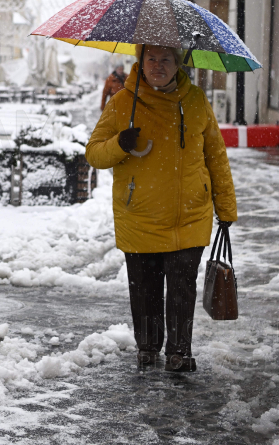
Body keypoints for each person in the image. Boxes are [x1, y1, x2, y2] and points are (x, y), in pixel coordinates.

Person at [85, 45, 236, 372]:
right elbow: (94, 154)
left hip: (190, 214)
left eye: (165, 59)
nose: (157, 66)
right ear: (141, 60)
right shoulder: (122, 102)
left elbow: (216, 156)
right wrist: (120, 144)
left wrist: (226, 209)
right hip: (140, 213)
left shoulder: (195, 100)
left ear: (177, 63)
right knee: (146, 289)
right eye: (151, 59)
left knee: (183, 290)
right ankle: (148, 348)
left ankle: (180, 352)